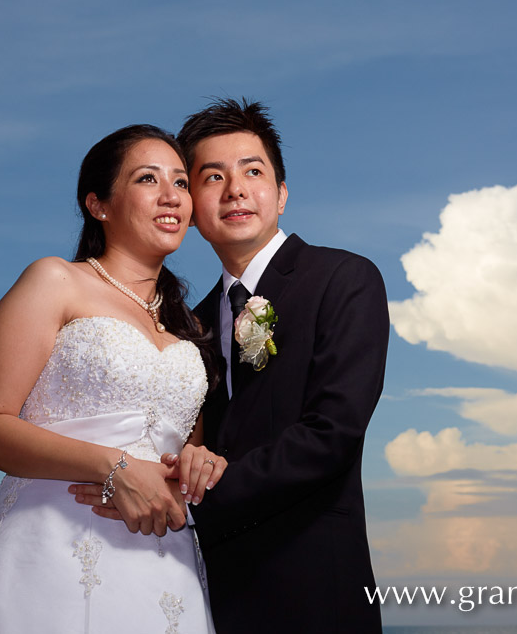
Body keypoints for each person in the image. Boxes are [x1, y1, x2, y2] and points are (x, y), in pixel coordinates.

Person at [76, 99, 389, 632]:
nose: (235, 189)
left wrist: (190, 498)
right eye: (212, 176)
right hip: (207, 585)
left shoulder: (344, 278)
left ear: (282, 194)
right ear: (192, 202)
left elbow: (333, 434)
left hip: (316, 581)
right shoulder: (185, 325)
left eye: (253, 170)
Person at [0, 124, 225, 633]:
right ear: (98, 204)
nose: (172, 197)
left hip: (164, 559)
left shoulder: (193, 326)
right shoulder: (54, 281)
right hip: (52, 545)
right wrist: (113, 466)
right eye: (148, 179)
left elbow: (177, 452)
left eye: (182, 183)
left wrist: (195, 463)